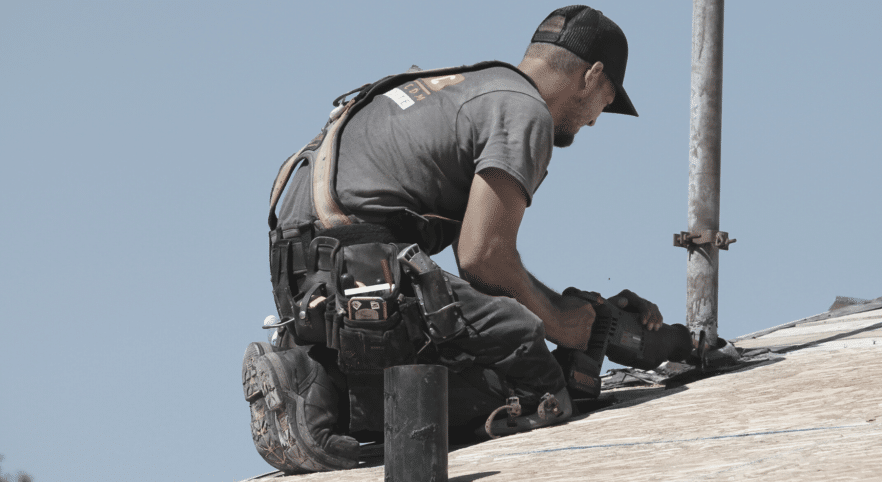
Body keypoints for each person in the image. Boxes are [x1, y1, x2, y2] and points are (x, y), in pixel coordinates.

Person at [242, 5, 674, 474]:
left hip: (308, 272)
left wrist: (565, 305)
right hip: (361, 266)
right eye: (605, 103)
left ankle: (316, 377)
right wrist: (556, 322)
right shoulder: (524, 110)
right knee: (537, 381)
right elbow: (483, 258)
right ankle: (320, 405)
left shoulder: (469, 84)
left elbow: (486, 266)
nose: (594, 121)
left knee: (480, 339)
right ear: (591, 76)